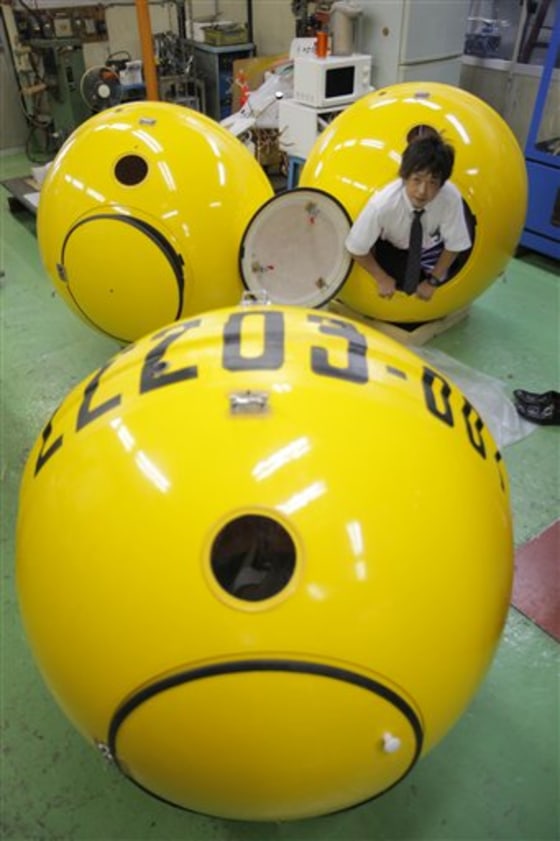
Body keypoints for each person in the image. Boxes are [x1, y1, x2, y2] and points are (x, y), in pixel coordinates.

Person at [345, 127, 472, 302]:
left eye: (432, 182)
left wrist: (433, 280)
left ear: (442, 183)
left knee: (457, 263)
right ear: (404, 176)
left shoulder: (450, 197)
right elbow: (355, 247)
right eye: (416, 180)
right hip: (393, 246)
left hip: (431, 244)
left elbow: (455, 244)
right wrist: (381, 277)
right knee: (402, 279)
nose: (422, 191)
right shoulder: (383, 204)